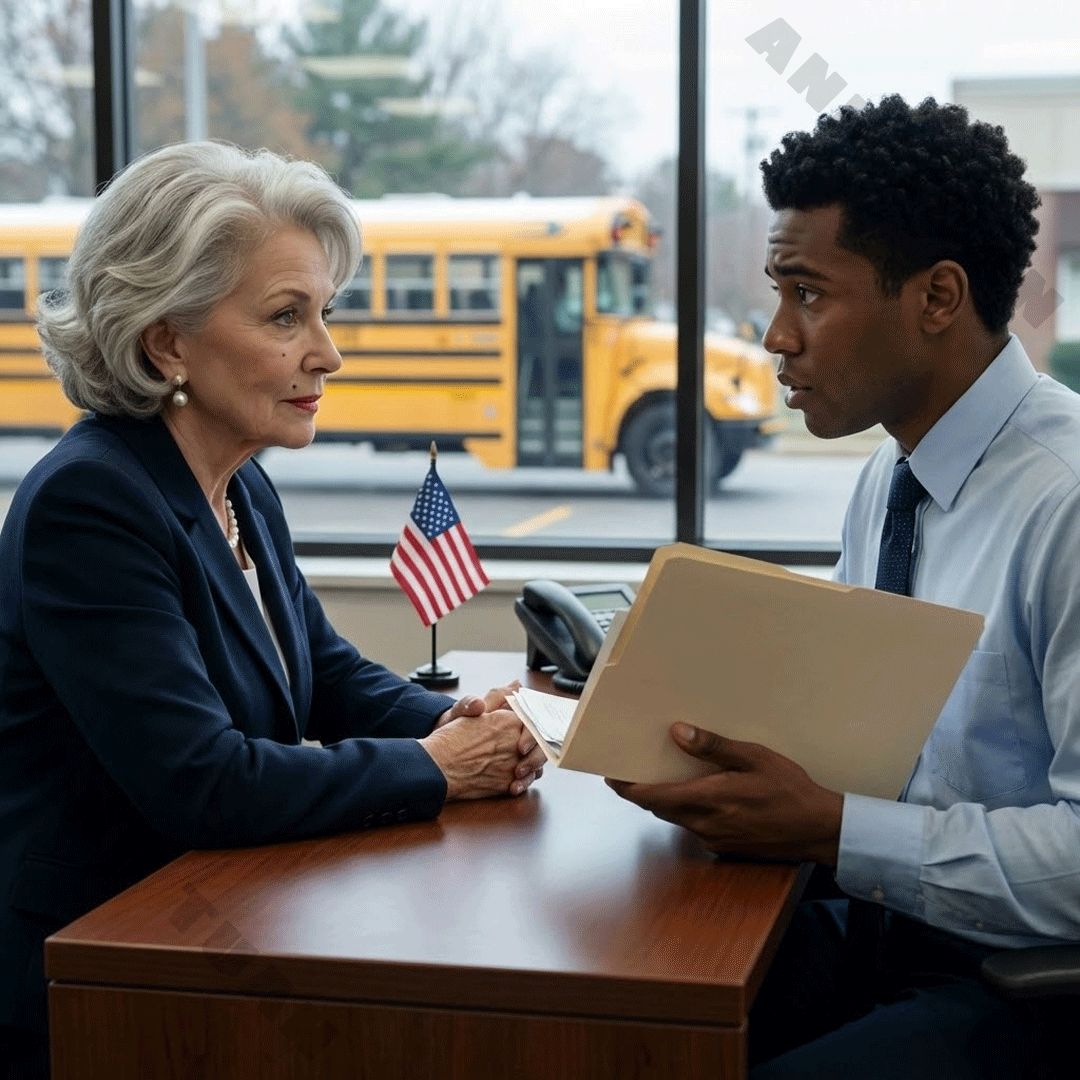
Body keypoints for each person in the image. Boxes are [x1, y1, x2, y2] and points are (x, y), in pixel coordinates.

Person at [0, 141, 547, 1080]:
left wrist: (463, 723)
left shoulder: (238, 480)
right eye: (287, 317)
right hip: (102, 973)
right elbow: (203, 782)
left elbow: (323, 672)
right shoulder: (88, 503)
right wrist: (436, 767)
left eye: (325, 313)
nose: (328, 353)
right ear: (166, 341)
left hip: (222, 923)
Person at [607, 95, 1080, 1078]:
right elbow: (853, 722)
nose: (776, 336)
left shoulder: (1064, 505)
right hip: (880, 922)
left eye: (808, 294)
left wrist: (832, 827)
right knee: (612, 1008)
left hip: (1020, 983)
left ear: (937, 298)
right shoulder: (890, 478)